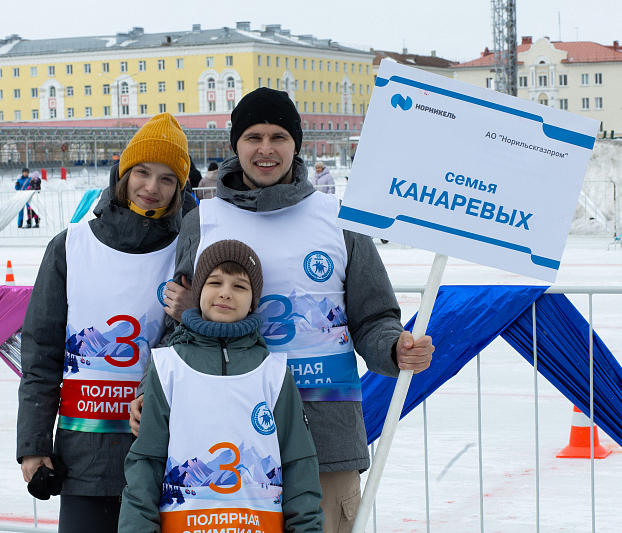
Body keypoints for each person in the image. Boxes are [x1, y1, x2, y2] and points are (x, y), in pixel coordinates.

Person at [133, 88, 434, 533]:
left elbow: (374, 317)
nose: (266, 149)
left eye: (278, 137)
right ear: (235, 145)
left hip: (325, 439)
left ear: (296, 144)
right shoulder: (203, 221)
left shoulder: (339, 218)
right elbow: (180, 324)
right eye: (253, 137)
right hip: (223, 441)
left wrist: (394, 348)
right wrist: (149, 388)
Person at [17, 112, 194, 533]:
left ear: (180, 189)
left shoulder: (187, 252)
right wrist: (34, 444)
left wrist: (192, 313)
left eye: (167, 179)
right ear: (124, 173)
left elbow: (196, 347)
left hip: (163, 454)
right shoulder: (70, 246)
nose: (152, 188)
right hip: (85, 455)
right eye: (143, 172)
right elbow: (42, 351)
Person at [120, 239, 323, 532]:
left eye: (240, 286)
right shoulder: (166, 367)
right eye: (215, 282)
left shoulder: (274, 373)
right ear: (198, 292)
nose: (226, 293)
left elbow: (299, 466)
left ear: (253, 302)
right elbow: (145, 466)